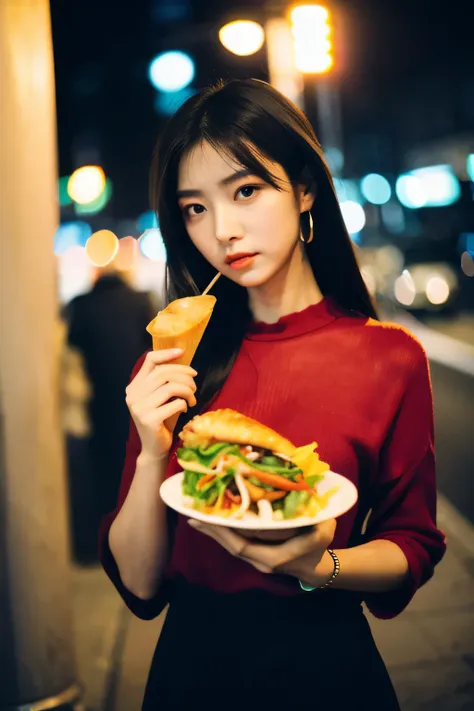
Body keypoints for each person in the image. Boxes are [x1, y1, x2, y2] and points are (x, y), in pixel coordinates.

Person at [99, 79, 446, 710]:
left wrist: (318, 569)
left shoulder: (390, 357)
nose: (222, 229)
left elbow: (412, 544)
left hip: (328, 669)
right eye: (194, 208)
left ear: (305, 188)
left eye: (247, 191)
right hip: (189, 672)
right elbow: (141, 586)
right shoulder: (173, 362)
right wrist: (153, 453)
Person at [66, 263, 155, 560]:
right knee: (135, 461)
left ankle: (103, 541)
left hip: (101, 398)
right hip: (140, 393)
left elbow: (72, 345)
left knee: (102, 468)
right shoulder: (141, 299)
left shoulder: (81, 304)